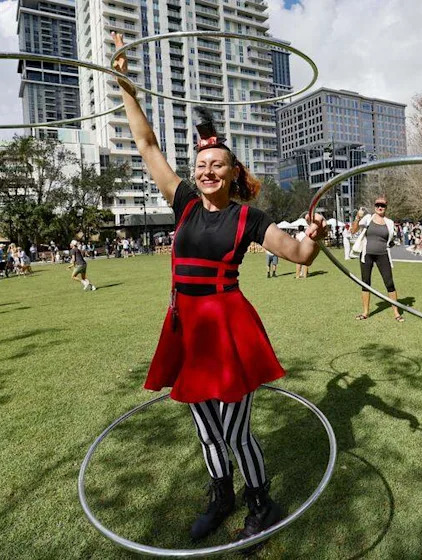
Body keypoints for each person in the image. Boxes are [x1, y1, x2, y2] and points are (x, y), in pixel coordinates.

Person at [112, 31, 327, 546]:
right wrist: (125, 85)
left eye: (218, 166)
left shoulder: (248, 219)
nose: (207, 171)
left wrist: (312, 239)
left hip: (228, 328)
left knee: (234, 430)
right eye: (202, 165)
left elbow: (296, 253)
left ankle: (261, 501)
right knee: (205, 428)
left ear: (234, 173)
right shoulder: (182, 201)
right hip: (188, 327)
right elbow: (146, 143)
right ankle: (221, 493)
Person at [350, 197, 404, 322]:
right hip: (367, 254)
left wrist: (392, 242)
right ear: (375, 206)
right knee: (365, 283)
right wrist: (358, 217)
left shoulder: (389, 222)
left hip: (382, 255)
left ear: (386, 208)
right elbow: (353, 231)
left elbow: (391, 239)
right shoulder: (367, 218)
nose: (380, 207)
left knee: (389, 283)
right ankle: (365, 312)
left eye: (383, 206)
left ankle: (396, 313)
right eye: (378, 205)